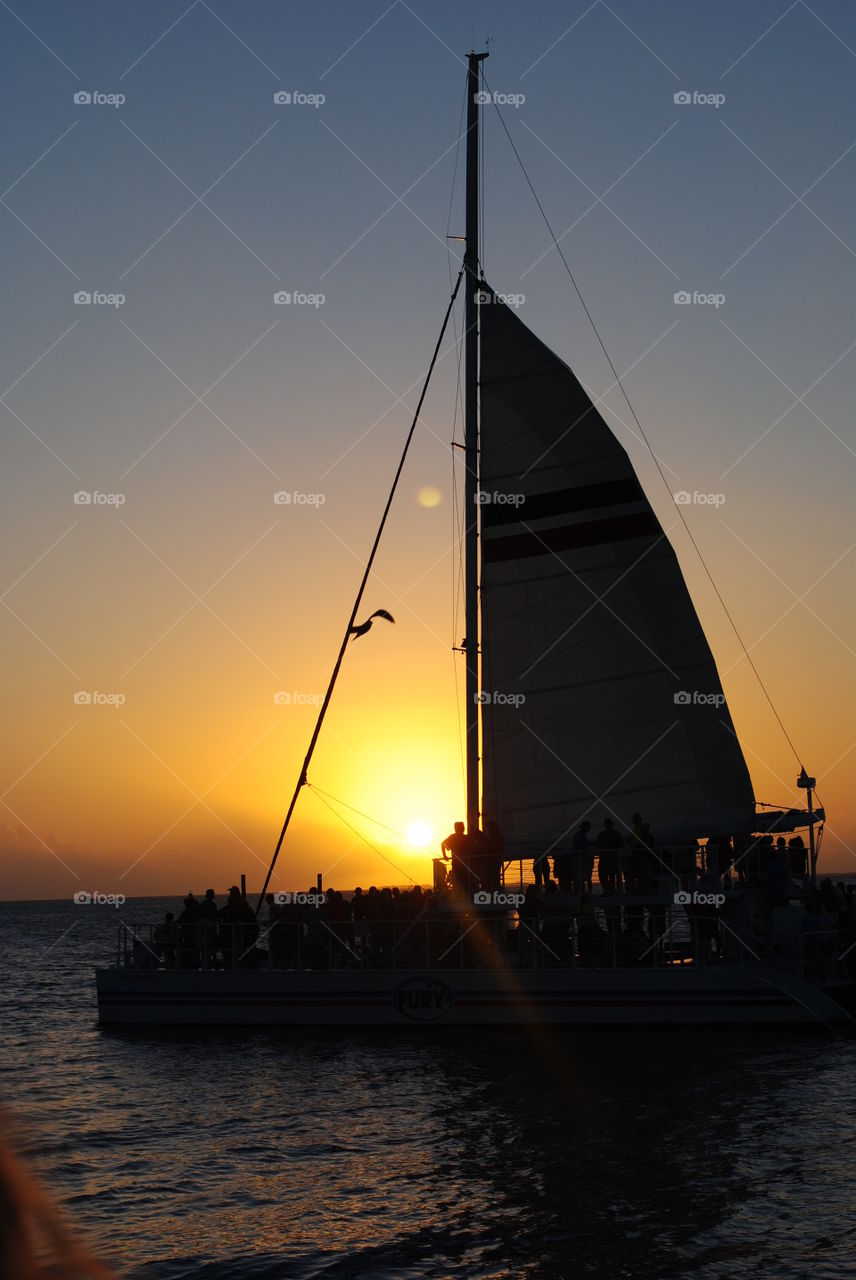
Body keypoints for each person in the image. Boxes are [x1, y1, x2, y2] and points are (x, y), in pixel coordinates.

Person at [441, 821, 474, 895]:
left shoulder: (453, 837)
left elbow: (443, 844)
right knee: (465, 882)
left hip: (458, 864)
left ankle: (458, 896)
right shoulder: (466, 838)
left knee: (458, 882)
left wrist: (444, 855)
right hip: (466, 864)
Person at [596, 818, 623, 895]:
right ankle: (609, 890)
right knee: (609, 875)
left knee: (608, 875)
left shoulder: (602, 835)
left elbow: (598, 845)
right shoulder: (615, 834)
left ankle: (608, 890)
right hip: (610, 857)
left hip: (608, 858)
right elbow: (620, 845)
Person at [572, 820, 593, 893]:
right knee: (582, 877)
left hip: (580, 859)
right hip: (580, 860)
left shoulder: (580, 835)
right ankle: (582, 891)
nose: (589, 829)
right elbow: (582, 845)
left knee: (582, 877)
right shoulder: (580, 835)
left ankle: (582, 891)